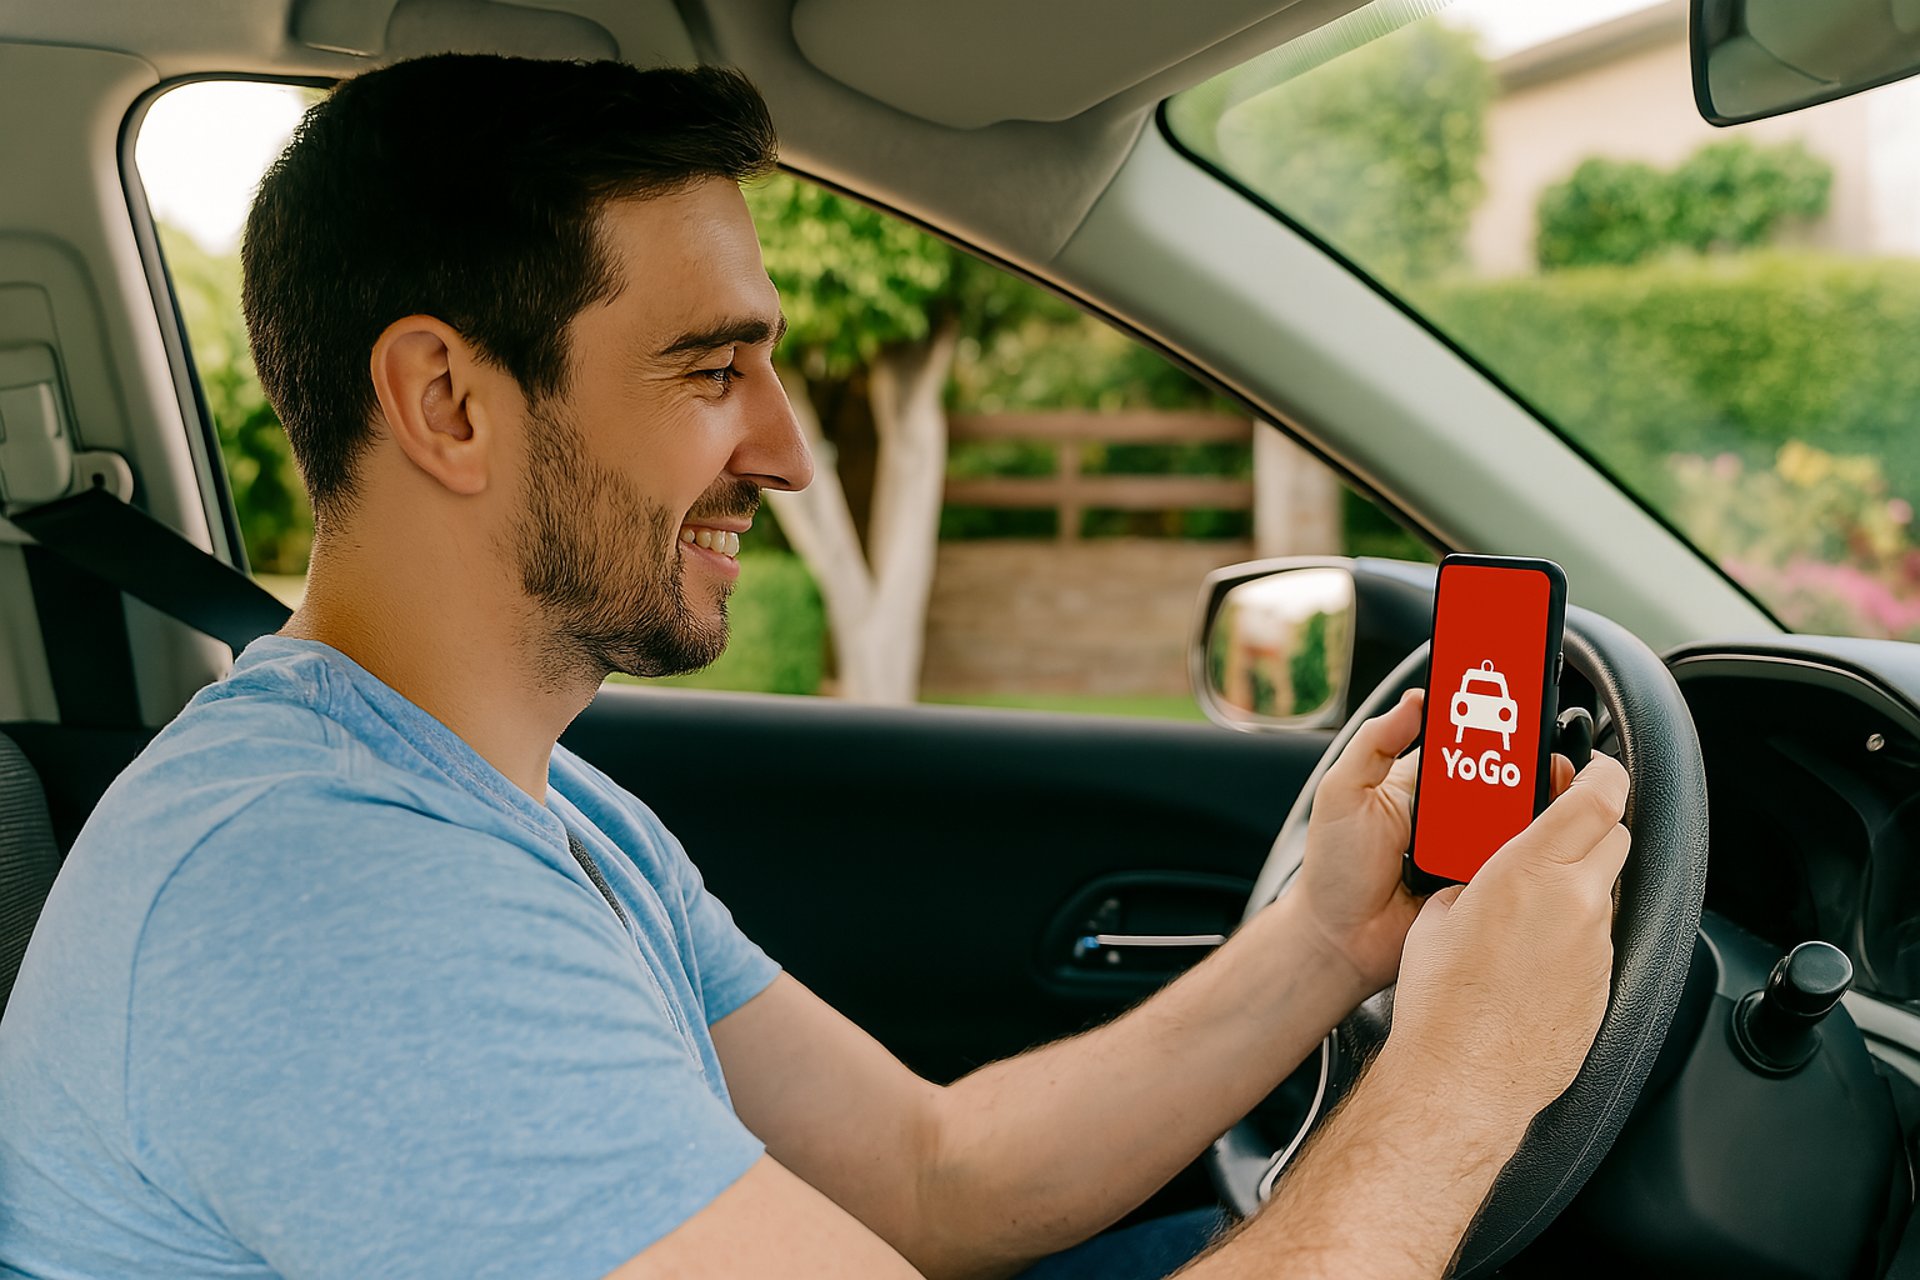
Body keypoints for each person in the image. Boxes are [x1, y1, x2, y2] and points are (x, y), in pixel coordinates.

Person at [0, 54, 1630, 1280]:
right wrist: (1465, 1082)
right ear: (446, 402)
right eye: (711, 369)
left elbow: (930, 1174)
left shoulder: (531, 805)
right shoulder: (333, 908)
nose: (782, 450)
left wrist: (1332, 942)